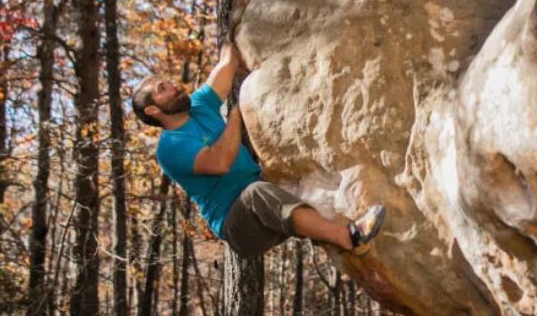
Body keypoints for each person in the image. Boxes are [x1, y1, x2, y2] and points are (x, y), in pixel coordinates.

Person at [130, 42, 384, 260]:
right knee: (255, 192)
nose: (173, 85)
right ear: (153, 110)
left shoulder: (198, 104)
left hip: (269, 204)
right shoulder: (170, 146)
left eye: (167, 82)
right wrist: (234, 117)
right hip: (240, 227)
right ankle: (349, 237)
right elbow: (219, 162)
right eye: (162, 89)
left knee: (302, 183)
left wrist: (235, 25)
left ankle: (336, 230)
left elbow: (226, 64)